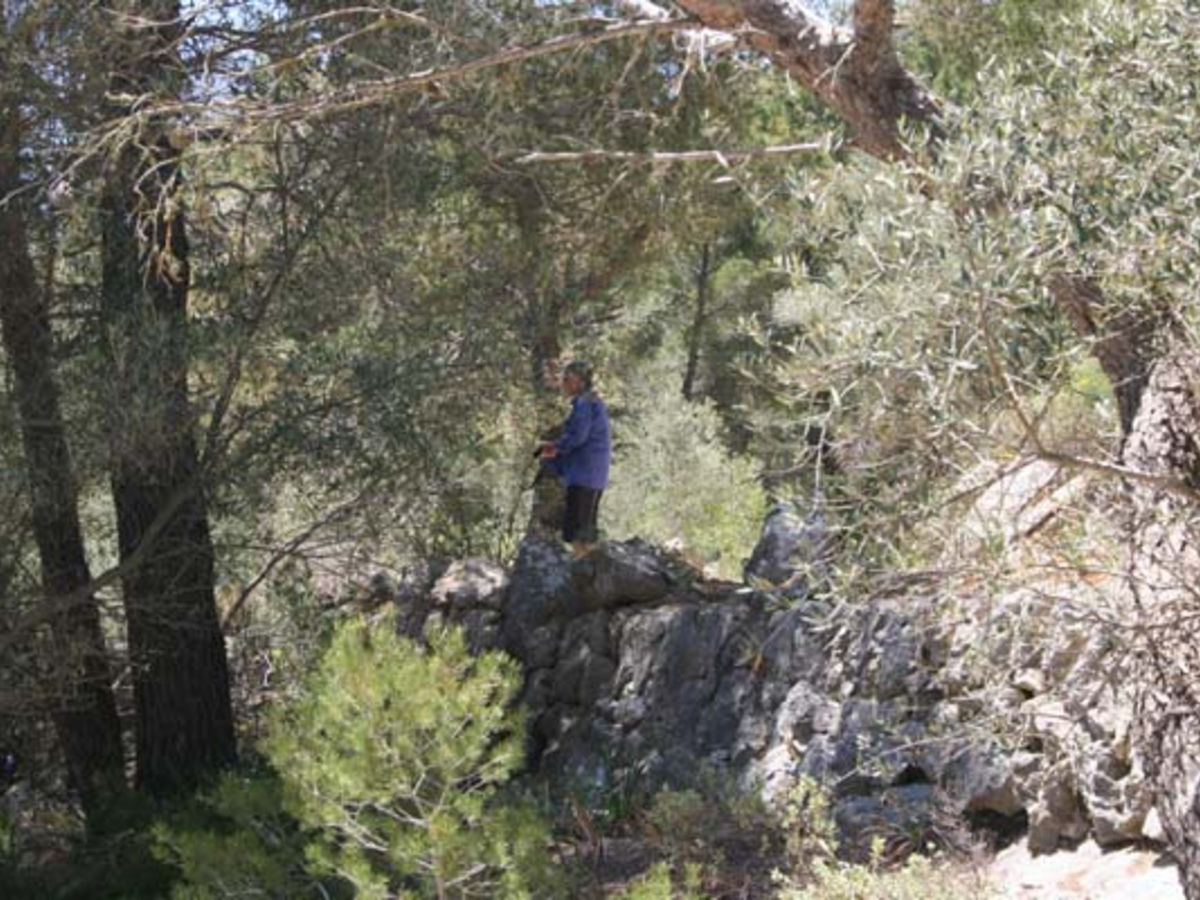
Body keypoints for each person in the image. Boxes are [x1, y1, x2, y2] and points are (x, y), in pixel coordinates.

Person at [538, 360, 611, 558]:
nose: (564, 383)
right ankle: (585, 567)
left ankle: (580, 569)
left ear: (580, 381)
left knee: (579, 533)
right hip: (593, 475)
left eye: (567, 379)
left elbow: (578, 436)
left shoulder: (584, 403)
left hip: (584, 475)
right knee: (585, 529)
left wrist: (554, 448)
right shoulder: (593, 402)